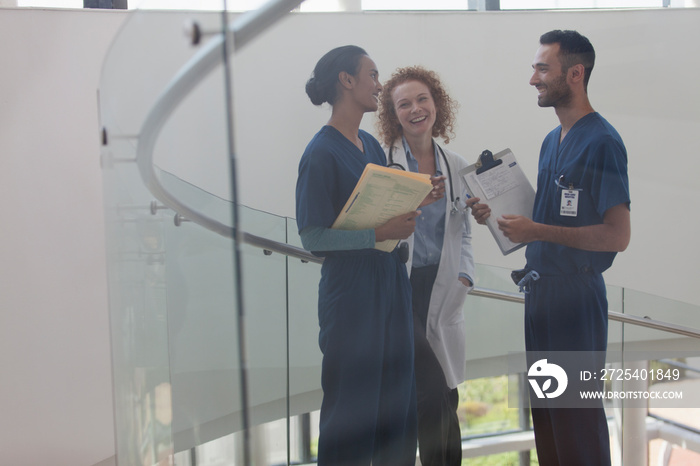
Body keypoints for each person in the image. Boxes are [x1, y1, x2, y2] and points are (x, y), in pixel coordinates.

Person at [468, 30, 630, 465]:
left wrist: (536, 230)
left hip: (575, 299)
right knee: (550, 425)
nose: (533, 79)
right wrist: (496, 215)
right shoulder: (551, 141)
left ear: (575, 74)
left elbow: (617, 236)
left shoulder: (602, 142)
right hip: (541, 296)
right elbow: (547, 217)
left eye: (543, 68)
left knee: (577, 425)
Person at [295, 45, 422, 466]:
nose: (378, 84)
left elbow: (376, 206)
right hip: (351, 295)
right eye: (371, 74)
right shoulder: (320, 153)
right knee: (352, 409)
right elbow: (312, 235)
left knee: (397, 403)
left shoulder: (368, 142)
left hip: (390, 282)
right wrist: (377, 233)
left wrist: (409, 206)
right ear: (346, 81)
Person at [377, 66, 475, 466]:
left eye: (422, 100)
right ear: (392, 114)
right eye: (404, 104)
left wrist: (465, 275)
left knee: (446, 394)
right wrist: (418, 202)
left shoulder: (455, 164)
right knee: (431, 391)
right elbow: (380, 231)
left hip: (444, 285)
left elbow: (464, 231)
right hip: (401, 287)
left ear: (437, 104)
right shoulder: (384, 163)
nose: (416, 109)